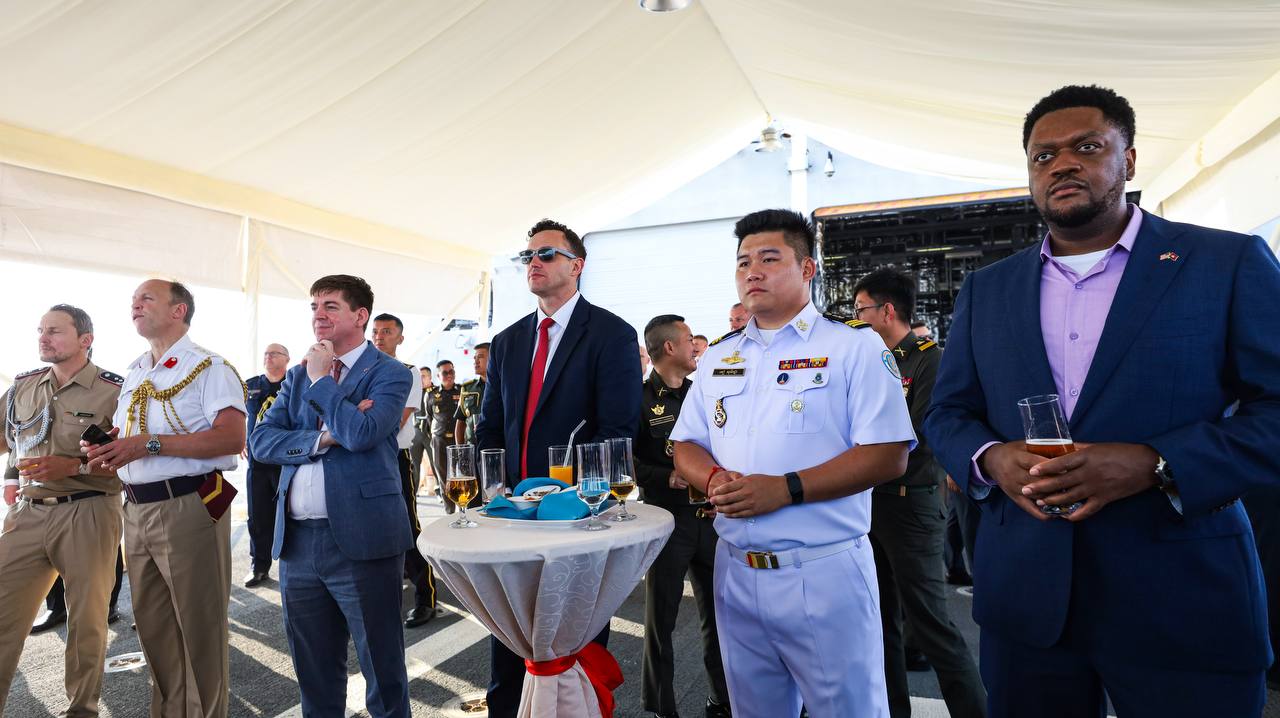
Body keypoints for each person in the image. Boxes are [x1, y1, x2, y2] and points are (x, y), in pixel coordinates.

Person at [924, 85, 1280, 718]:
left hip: (1183, 595)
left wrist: (1156, 463)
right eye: (1043, 155)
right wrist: (991, 458)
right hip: (1027, 599)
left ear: (1129, 160)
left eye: (1087, 147)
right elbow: (947, 413)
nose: (1062, 164)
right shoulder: (988, 289)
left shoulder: (1223, 263)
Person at [671, 209, 915, 718]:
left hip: (823, 571)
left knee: (848, 710)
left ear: (807, 268)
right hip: (735, 570)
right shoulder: (719, 356)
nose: (752, 272)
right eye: (743, 262)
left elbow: (888, 453)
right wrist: (714, 479)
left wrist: (786, 488)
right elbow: (687, 443)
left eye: (768, 259)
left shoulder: (852, 346)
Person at [475, 218, 641, 718]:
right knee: (509, 644)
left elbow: (617, 430)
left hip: (576, 516)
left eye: (546, 254)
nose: (534, 263)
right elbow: (489, 427)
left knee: (573, 645)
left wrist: (569, 500)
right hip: (511, 515)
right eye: (527, 256)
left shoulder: (611, 334)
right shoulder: (507, 341)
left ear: (577, 265)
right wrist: (497, 492)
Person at [250, 275, 414, 718]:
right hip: (298, 544)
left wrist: (323, 382)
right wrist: (323, 437)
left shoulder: (391, 373)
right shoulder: (296, 375)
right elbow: (261, 441)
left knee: (383, 672)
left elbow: (362, 433)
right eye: (314, 306)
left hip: (365, 539)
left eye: (330, 306)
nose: (318, 314)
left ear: (360, 316)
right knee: (315, 675)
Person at [84, 280, 246, 718]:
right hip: (135, 508)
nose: (135, 305)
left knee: (199, 629)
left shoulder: (210, 367)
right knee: (155, 629)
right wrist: (113, 448)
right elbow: (134, 433)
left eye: (146, 299)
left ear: (179, 310)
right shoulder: (136, 370)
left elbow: (232, 438)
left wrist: (148, 445)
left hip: (187, 504)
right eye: (133, 301)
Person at [854, 268, 986, 718]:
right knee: (879, 621)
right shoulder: (872, 361)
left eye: (861, 310)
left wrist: (859, 459)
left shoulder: (930, 360)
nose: (856, 318)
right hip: (871, 502)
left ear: (887, 311)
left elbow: (920, 434)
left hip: (911, 505)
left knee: (930, 623)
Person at [0, 305, 124, 717]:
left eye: (54, 330)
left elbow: (131, 459)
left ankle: (82, 710)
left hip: (88, 511)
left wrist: (73, 466)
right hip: (27, 513)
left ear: (85, 339)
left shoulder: (115, 391)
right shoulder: (23, 386)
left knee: (86, 624)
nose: (43, 337)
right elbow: (7, 438)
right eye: (40, 330)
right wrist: (12, 475)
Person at [634, 314, 730, 718]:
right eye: (689, 339)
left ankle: (722, 700)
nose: (696, 346)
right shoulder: (638, 399)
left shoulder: (701, 394)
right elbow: (627, 461)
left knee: (721, 617)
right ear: (670, 347)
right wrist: (667, 476)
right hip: (667, 521)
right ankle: (661, 707)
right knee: (662, 621)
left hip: (710, 518)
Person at [371, 312, 437, 629]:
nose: (379, 336)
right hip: (361, 458)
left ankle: (426, 597)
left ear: (400, 337)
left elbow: (394, 421)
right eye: (375, 331)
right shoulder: (359, 371)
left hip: (392, 456)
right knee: (369, 529)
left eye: (387, 331)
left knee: (406, 527)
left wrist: (360, 426)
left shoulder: (407, 372)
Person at [243, 342, 289, 588]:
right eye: (266, 353)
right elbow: (238, 415)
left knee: (290, 514)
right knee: (258, 515)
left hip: (285, 459)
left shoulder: (294, 383)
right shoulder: (250, 385)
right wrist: (241, 439)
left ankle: (293, 566)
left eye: (275, 353)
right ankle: (259, 565)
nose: (269, 356)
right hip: (257, 462)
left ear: (287, 359)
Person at [422, 360, 460, 511]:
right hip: (439, 440)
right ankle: (450, 512)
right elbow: (429, 418)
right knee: (444, 478)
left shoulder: (462, 391)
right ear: (438, 376)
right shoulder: (431, 394)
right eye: (445, 373)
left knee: (461, 476)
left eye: (451, 372)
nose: (449, 375)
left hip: (459, 441)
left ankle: (463, 511)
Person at [454, 342, 490, 445]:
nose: (476, 361)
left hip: (496, 448)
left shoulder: (503, 387)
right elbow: (460, 423)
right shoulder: (468, 389)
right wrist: (460, 449)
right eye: (474, 358)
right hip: (472, 447)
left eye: (480, 357)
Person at [410, 366, 434, 495]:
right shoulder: (414, 391)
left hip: (431, 433)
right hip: (416, 432)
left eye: (424, 376)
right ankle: (413, 493)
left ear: (430, 377)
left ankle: (440, 492)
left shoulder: (436, 392)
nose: (421, 379)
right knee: (414, 465)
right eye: (419, 376)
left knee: (436, 464)